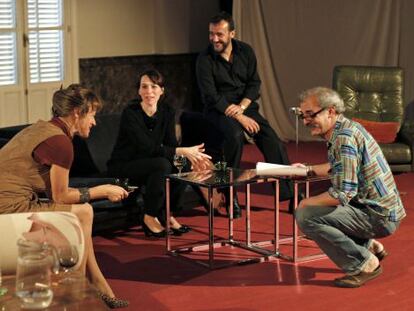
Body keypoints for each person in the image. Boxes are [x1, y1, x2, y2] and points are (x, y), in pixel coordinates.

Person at [0, 84, 129, 308]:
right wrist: (103, 191)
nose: (95, 122)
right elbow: (60, 196)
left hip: (11, 202)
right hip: (8, 209)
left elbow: (52, 192)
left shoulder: (41, 128)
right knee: (85, 210)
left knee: (83, 212)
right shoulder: (61, 142)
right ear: (77, 113)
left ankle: (92, 283)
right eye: (92, 115)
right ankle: (80, 288)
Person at [294, 87, 406, 288]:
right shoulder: (346, 129)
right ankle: (369, 246)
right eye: (302, 115)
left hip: (379, 216)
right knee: (316, 210)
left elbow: (343, 193)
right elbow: (335, 167)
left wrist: (305, 202)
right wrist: (306, 170)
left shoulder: (343, 138)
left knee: (306, 215)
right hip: (380, 210)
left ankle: (364, 263)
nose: (305, 121)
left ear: (331, 111)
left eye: (310, 114)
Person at [196, 11, 294, 218]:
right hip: (217, 111)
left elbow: (254, 84)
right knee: (234, 136)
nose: (215, 39)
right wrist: (239, 116)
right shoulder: (204, 59)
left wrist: (242, 107)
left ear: (232, 33)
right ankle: (229, 195)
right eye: (211, 34)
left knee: (273, 141)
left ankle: (291, 193)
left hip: (245, 106)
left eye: (220, 34)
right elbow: (211, 96)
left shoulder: (246, 51)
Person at [107, 69, 211, 238]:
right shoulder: (130, 113)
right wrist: (182, 150)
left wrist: (189, 157)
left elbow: (170, 144)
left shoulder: (167, 111)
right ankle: (149, 215)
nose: (149, 92)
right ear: (139, 91)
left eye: (154, 87)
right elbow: (146, 147)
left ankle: (168, 213)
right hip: (125, 165)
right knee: (162, 165)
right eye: (144, 87)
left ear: (162, 91)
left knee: (183, 164)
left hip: (152, 161)